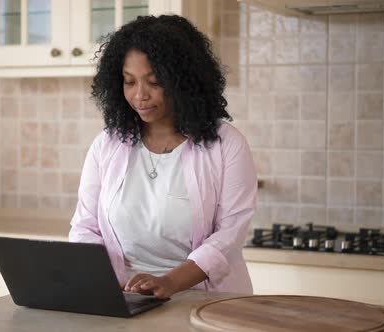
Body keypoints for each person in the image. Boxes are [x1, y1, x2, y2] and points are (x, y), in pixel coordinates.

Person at [69, 15, 257, 299]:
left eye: (154, 81)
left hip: (205, 300)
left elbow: (230, 235)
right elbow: (85, 226)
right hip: (127, 299)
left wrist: (169, 282)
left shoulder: (226, 144)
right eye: (129, 82)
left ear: (184, 82)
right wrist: (104, 283)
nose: (139, 95)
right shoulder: (107, 144)